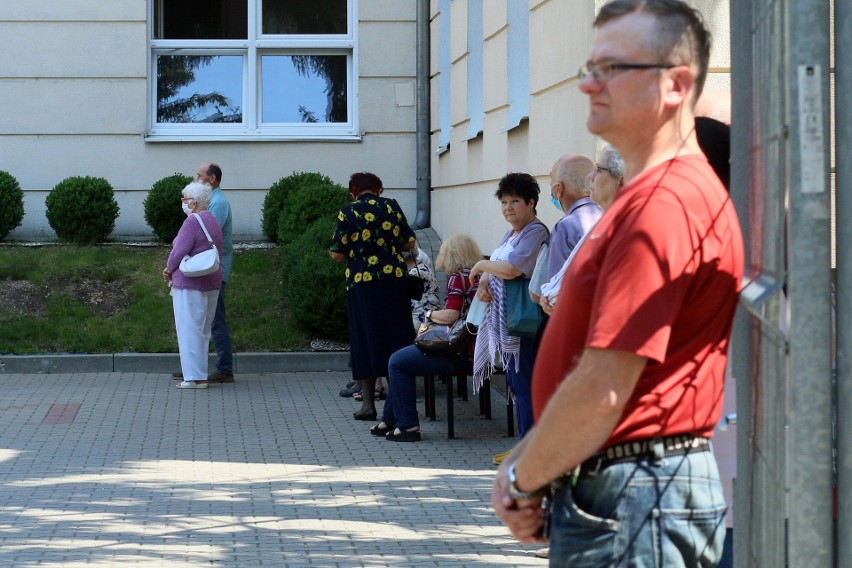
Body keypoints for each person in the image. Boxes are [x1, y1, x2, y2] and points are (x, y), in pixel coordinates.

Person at [492, 2, 744, 566]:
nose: (587, 84)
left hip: (634, 496)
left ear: (677, 84)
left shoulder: (665, 204)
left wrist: (523, 478)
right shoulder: (656, 196)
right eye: (590, 67)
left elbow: (606, 384)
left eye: (613, 69)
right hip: (633, 490)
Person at [468, 173, 549, 465]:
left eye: (515, 201)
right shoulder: (512, 233)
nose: (508, 208)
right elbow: (498, 265)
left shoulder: (535, 231)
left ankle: (530, 450)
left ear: (531, 202)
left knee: (525, 384)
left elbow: (514, 268)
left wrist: (480, 264)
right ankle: (523, 446)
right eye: (504, 202)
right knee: (517, 383)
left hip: (525, 323)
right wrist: (484, 282)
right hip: (509, 323)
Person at [371, 233, 482, 442]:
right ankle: (391, 419)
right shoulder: (477, 277)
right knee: (402, 359)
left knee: (397, 362)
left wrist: (430, 315)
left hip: (457, 350)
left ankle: (407, 426)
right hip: (474, 347)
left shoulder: (458, 278)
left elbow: (451, 315)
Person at [329, 172, 417, 421]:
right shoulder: (391, 206)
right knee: (396, 339)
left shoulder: (348, 212)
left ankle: (368, 404)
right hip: (394, 283)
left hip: (362, 285)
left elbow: (336, 253)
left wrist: (359, 253)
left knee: (365, 340)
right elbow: (409, 242)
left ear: (353, 192)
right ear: (379, 189)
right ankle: (397, 405)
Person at [539, 143, 624, 316]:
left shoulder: (566, 226)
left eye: (598, 170)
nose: (591, 177)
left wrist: (547, 296)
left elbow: (556, 297)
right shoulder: (604, 220)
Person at [163, 181, 224, 390]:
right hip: (212, 281)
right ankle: (201, 376)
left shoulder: (191, 222)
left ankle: (192, 378)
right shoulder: (212, 221)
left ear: (194, 202)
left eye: (185, 199)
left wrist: (168, 269)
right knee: (203, 330)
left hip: (189, 282)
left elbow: (179, 251)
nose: (183, 203)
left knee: (188, 330)